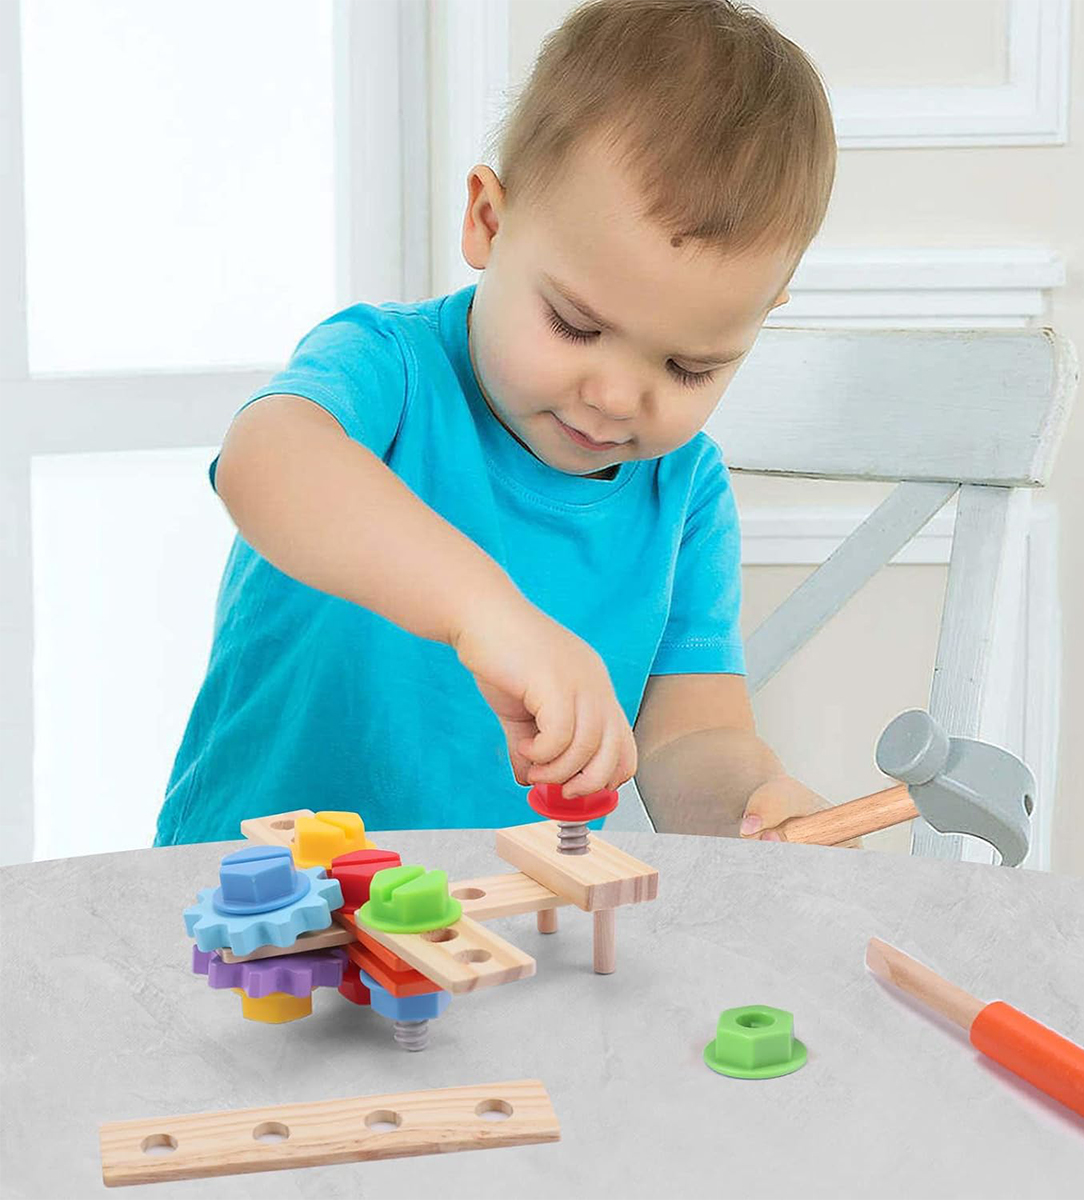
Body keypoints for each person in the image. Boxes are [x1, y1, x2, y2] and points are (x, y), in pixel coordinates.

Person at [153, 0, 841, 848]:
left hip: (498, 911)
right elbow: (265, 461)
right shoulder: (390, 367)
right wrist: (485, 612)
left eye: (688, 367)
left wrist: (755, 808)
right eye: (575, 326)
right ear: (488, 220)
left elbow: (692, 738)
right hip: (257, 890)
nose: (616, 396)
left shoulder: (686, 492)